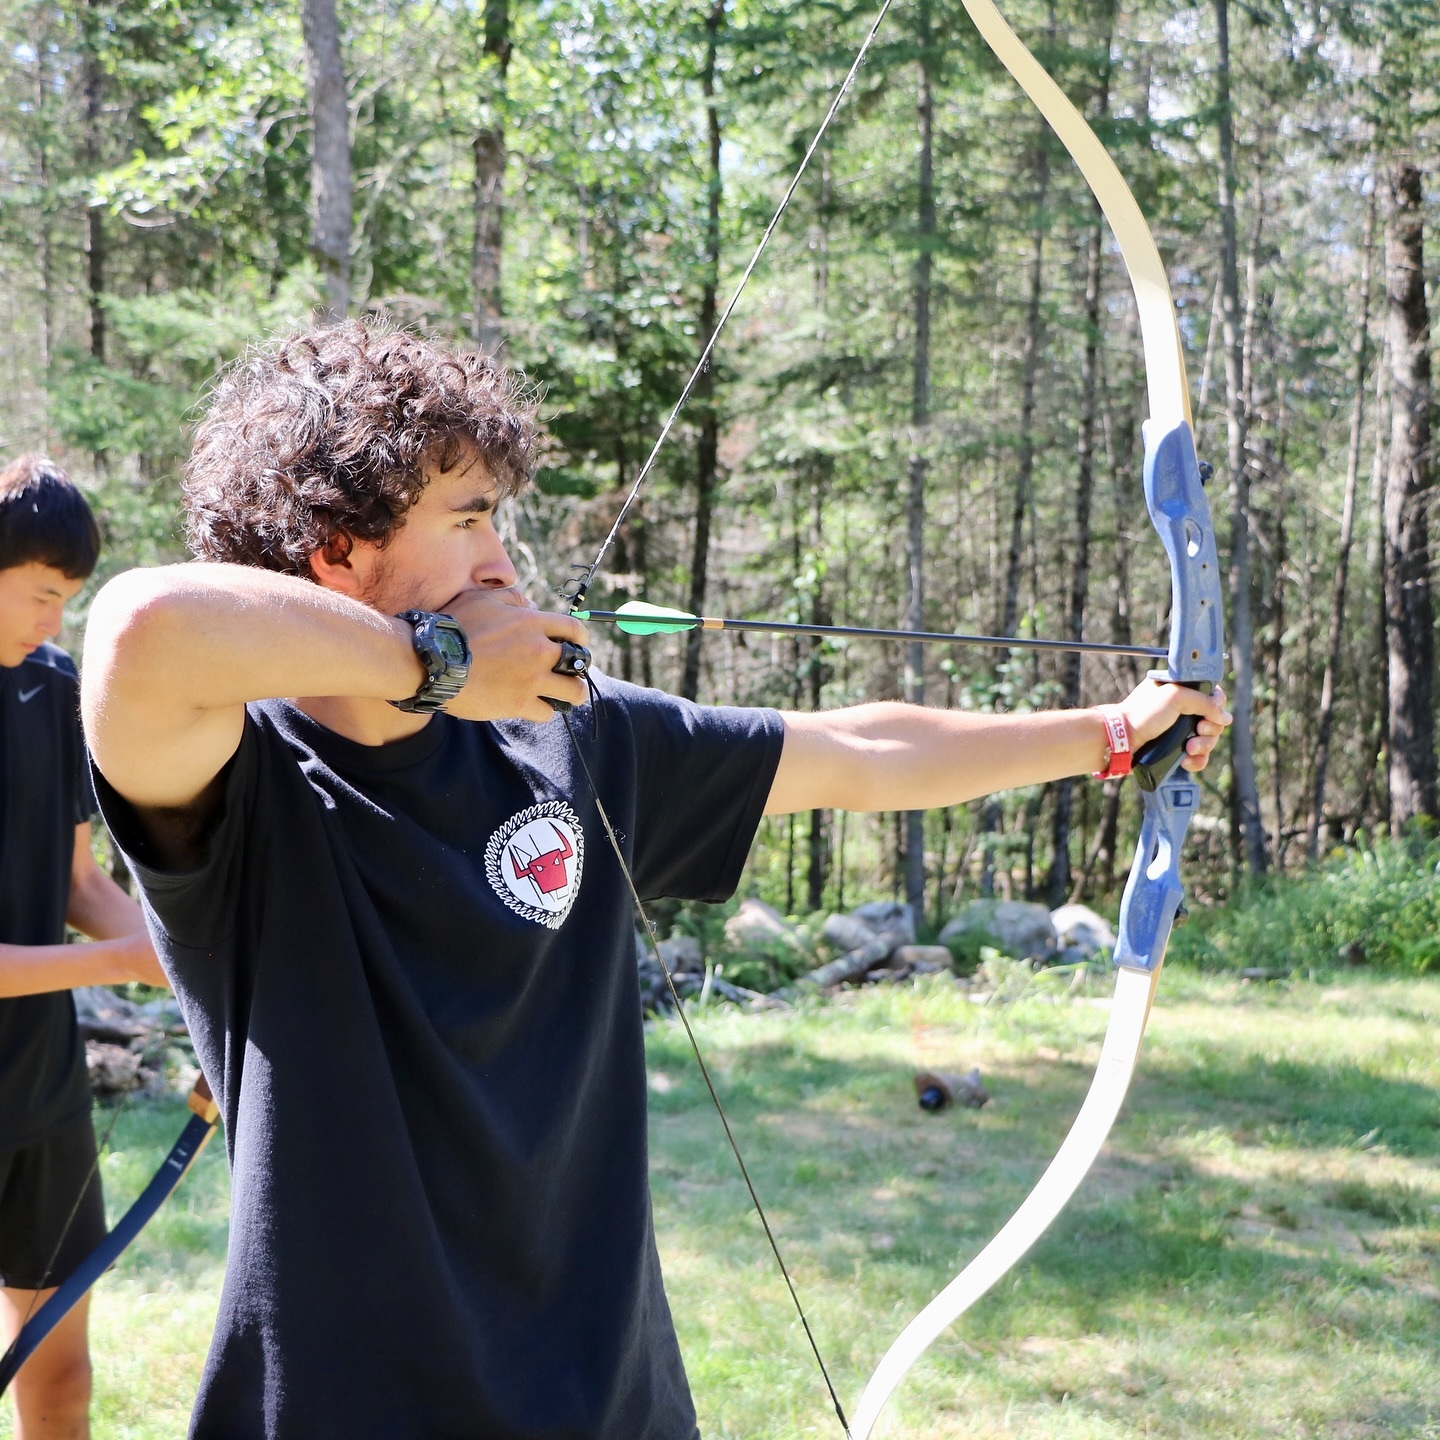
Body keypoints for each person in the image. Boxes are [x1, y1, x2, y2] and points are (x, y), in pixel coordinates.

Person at [80, 322, 1229, 1440]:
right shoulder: (238, 782)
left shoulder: (565, 737)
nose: (502, 560)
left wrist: (1111, 738)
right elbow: (141, 625)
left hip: (604, 1399)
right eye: (469, 517)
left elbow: (858, 753)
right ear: (337, 550)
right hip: (340, 1403)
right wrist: (443, 664)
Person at [0, 455, 165, 1440]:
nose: (55, 622)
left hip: (40, 1091)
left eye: (70, 600)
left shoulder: (53, 690)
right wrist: (121, 966)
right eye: (40, 596)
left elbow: (78, 884)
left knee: (57, 1379)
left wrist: (185, 960)